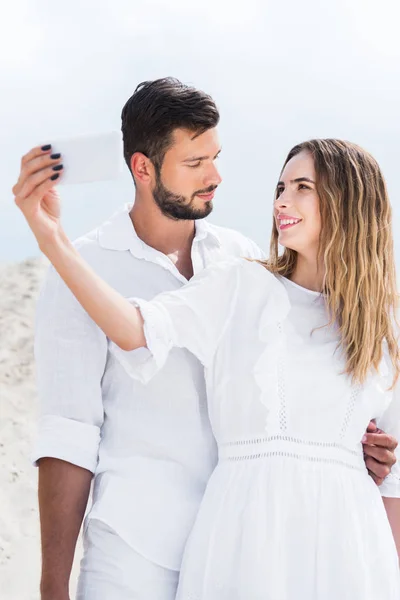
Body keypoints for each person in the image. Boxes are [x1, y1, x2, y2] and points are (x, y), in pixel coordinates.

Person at [14, 113, 398, 596]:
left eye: (303, 186)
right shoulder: (243, 281)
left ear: (351, 203)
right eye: (281, 186)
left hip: (350, 548)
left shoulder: (383, 327)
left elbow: (393, 479)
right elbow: (137, 330)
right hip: (227, 540)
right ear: (143, 167)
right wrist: (52, 240)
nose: (282, 199)